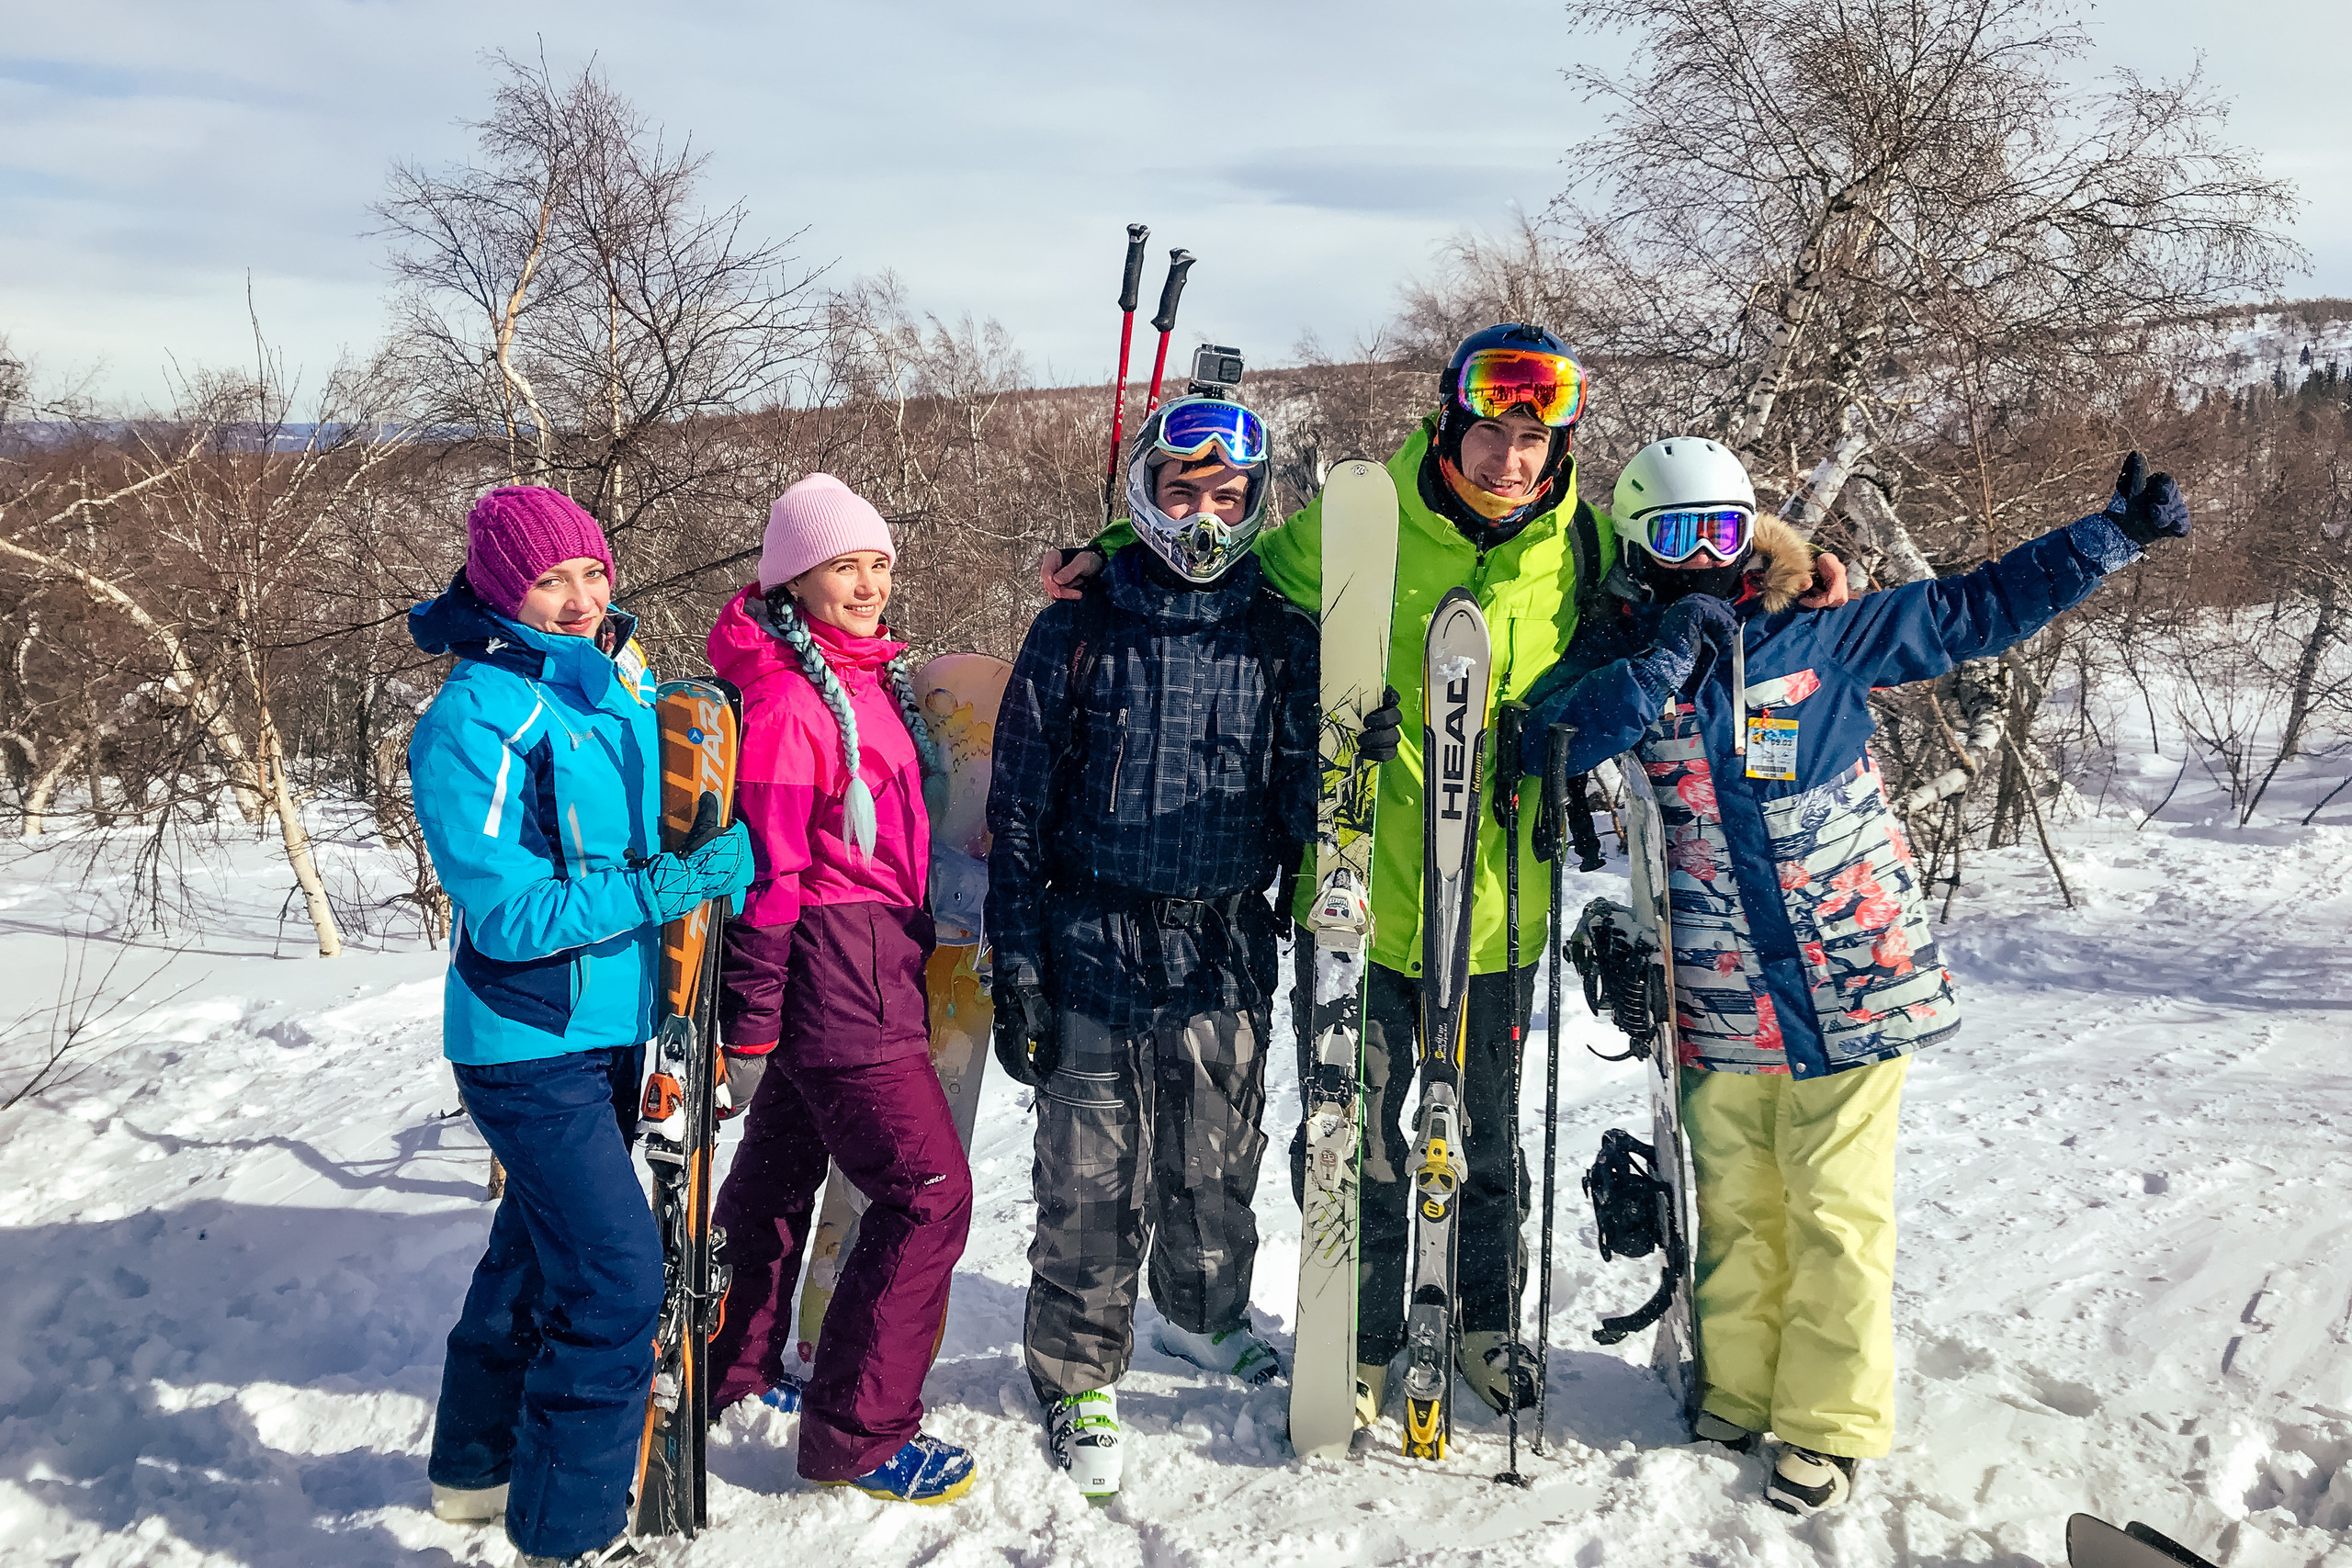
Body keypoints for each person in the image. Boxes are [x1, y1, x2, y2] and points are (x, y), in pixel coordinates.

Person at [1043, 324, 1848, 1426]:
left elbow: (1693, 572)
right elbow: (1218, 560)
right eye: (1490, 434)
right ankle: (1367, 1337)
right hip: (1368, 897)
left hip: (1500, 905)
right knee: (1365, 1137)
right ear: (1450, 424)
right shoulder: (1363, 520)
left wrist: (1787, 569)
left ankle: (1479, 1321)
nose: (1509, 460)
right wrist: (1107, 545)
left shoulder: (1585, 547)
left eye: (1533, 439)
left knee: (1482, 1135)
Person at [1517, 438, 2193, 1515]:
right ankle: (1735, 1389)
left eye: (1724, 532)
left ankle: (1825, 1425)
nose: (1705, 557)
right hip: (1717, 988)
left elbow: (1971, 610)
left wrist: (2105, 539)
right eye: (1679, 536)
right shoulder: (1618, 654)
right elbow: (1542, 740)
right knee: (1735, 1203)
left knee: (1834, 1209)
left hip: (1851, 971)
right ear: (1641, 548)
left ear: (1751, 537)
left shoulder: (1821, 633)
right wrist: (1655, 665)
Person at [986, 392, 1344, 1499]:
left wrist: (1349, 748)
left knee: (1214, 1163)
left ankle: (1201, 1315)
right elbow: (1018, 811)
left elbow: (1297, 808)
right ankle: (1078, 1365)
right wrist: (1019, 968)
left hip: (1226, 942)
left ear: (1255, 504)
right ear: (1144, 493)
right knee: (1091, 1176)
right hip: (1093, 932)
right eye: (1182, 489)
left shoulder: (1283, 632)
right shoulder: (1078, 628)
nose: (1203, 512)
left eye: (1227, 495)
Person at [409, 485, 753, 1568]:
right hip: (526, 1047)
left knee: (533, 1258)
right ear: (501, 590)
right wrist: (663, 889)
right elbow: (508, 915)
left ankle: (474, 1470)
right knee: (614, 1286)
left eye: (592, 573)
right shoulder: (473, 720)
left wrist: (707, 878)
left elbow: (652, 835)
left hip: (612, 1032)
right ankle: (569, 1538)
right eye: (548, 580)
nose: (577, 598)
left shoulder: (609, 686)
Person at [700, 473, 978, 1506]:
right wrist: (756, 1022)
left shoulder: (854, 679)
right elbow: (769, 880)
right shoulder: (785, 700)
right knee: (927, 1195)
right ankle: (859, 1436)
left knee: (776, 1174)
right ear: (792, 578)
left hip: (872, 960)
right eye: (842, 566)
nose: (866, 583)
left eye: (876, 563)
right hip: (834, 978)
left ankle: (728, 1366)